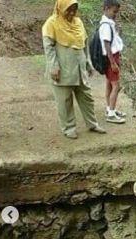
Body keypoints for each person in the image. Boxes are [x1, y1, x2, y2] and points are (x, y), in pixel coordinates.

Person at [42, 0, 107, 139]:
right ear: (60, 8)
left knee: (87, 97)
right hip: (62, 69)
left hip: (79, 68)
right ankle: (69, 128)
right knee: (64, 101)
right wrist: (54, 66)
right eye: (68, 10)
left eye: (74, 9)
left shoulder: (78, 23)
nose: (72, 13)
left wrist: (88, 63)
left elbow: (84, 44)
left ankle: (92, 123)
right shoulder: (51, 24)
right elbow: (49, 48)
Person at [99, 0, 126, 123]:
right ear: (107, 8)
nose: (115, 14)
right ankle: (111, 114)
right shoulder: (105, 25)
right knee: (116, 85)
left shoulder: (109, 23)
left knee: (109, 84)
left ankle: (110, 108)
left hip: (112, 57)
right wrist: (113, 62)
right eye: (114, 11)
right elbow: (107, 45)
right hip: (111, 57)